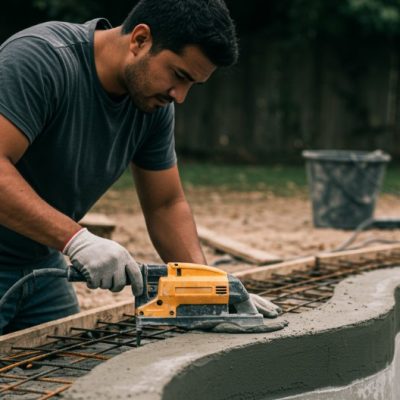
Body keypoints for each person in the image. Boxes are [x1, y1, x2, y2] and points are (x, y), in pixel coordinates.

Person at [0, 0, 281, 334]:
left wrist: (209, 289)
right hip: (35, 251)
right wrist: (76, 240)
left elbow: (166, 205)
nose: (181, 96)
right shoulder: (40, 60)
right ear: (140, 40)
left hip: (40, 265)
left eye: (193, 84)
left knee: (69, 374)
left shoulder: (152, 104)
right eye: (179, 75)